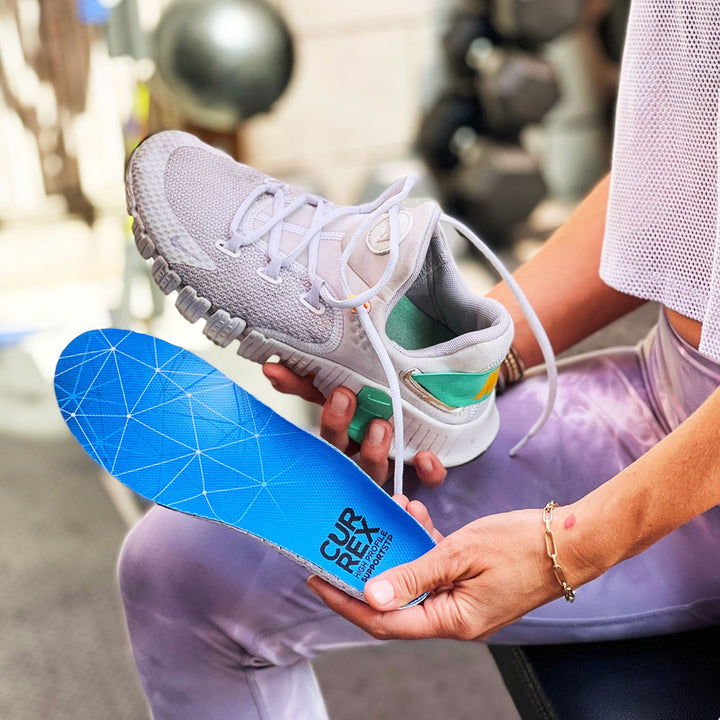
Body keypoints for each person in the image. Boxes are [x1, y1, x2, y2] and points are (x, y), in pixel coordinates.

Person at [118, 1, 720, 718]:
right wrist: (465, 362)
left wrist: (572, 546)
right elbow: (687, 176)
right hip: (669, 388)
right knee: (183, 569)